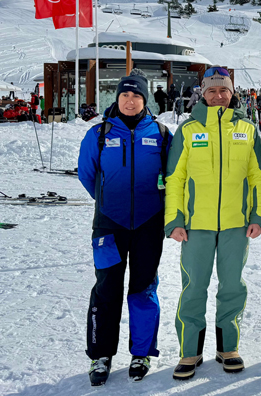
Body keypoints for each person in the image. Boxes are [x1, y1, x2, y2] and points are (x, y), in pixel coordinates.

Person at [165, 67, 261, 380]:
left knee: (232, 286)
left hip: (236, 225)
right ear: (203, 94)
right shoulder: (189, 129)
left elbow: (257, 176)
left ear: (232, 93)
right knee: (194, 286)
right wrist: (174, 220)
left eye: (224, 90)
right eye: (212, 91)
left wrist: (258, 215)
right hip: (196, 225)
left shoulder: (247, 129)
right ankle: (190, 352)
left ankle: (228, 348)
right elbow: (175, 177)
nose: (219, 96)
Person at [77, 73, 171, 386]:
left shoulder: (160, 133)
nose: (129, 101)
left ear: (146, 100)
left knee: (143, 288)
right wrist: (109, 200)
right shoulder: (99, 134)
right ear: (116, 99)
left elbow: (171, 174)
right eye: (124, 96)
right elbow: (88, 175)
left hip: (148, 223)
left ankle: (141, 353)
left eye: (136, 97)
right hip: (108, 223)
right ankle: (100, 356)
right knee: (106, 289)